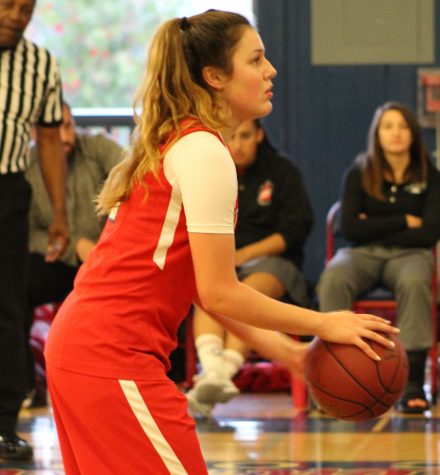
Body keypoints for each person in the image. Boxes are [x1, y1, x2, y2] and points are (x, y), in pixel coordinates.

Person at [44, 10, 398, 474]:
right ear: (215, 77)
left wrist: (290, 352)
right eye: (255, 60)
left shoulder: (180, 142)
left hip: (84, 349)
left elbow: (198, 288)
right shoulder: (205, 151)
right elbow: (220, 291)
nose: (270, 70)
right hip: (110, 355)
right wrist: (324, 323)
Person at [317, 101, 440, 414]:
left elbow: (428, 234)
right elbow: (350, 227)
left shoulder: (430, 174)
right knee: (334, 275)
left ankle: (413, 383)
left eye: (402, 126)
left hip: (410, 255)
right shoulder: (360, 172)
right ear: (377, 134)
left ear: (412, 133)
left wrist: (373, 222)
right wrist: (403, 219)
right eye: (388, 126)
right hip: (362, 254)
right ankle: (333, 372)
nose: (396, 133)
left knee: (415, 281)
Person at [186, 119, 314, 418]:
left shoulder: (283, 172)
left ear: (259, 135)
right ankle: (215, 372)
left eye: (244, 136)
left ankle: (219, 374)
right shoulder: (214, 172)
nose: (237, 145)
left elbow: (294, 231)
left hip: (275, 266)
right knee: (209, 291)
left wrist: (242, 255)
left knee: (244, 295)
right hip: (223, 264)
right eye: (231, 137)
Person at [0, 0, 68, 461]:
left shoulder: (40, 63)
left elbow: (47, 140)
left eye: (26, 8)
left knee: (7, 309)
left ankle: (5, 425)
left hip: (9, 192)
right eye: (8, 4)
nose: (16, 16)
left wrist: (60, 211)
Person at [24, 101, 123, 407]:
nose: (63, 136)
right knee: (14, 284)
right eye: (53, 129)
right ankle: (23, 386)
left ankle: (153, 377)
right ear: (34, 132)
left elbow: (133, 176)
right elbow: (29, 232)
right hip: (60, 260)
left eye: (67, 126)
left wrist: (106, 239)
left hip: (108, 257)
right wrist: (74, 245)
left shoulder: (95, 148)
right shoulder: (26, 166)